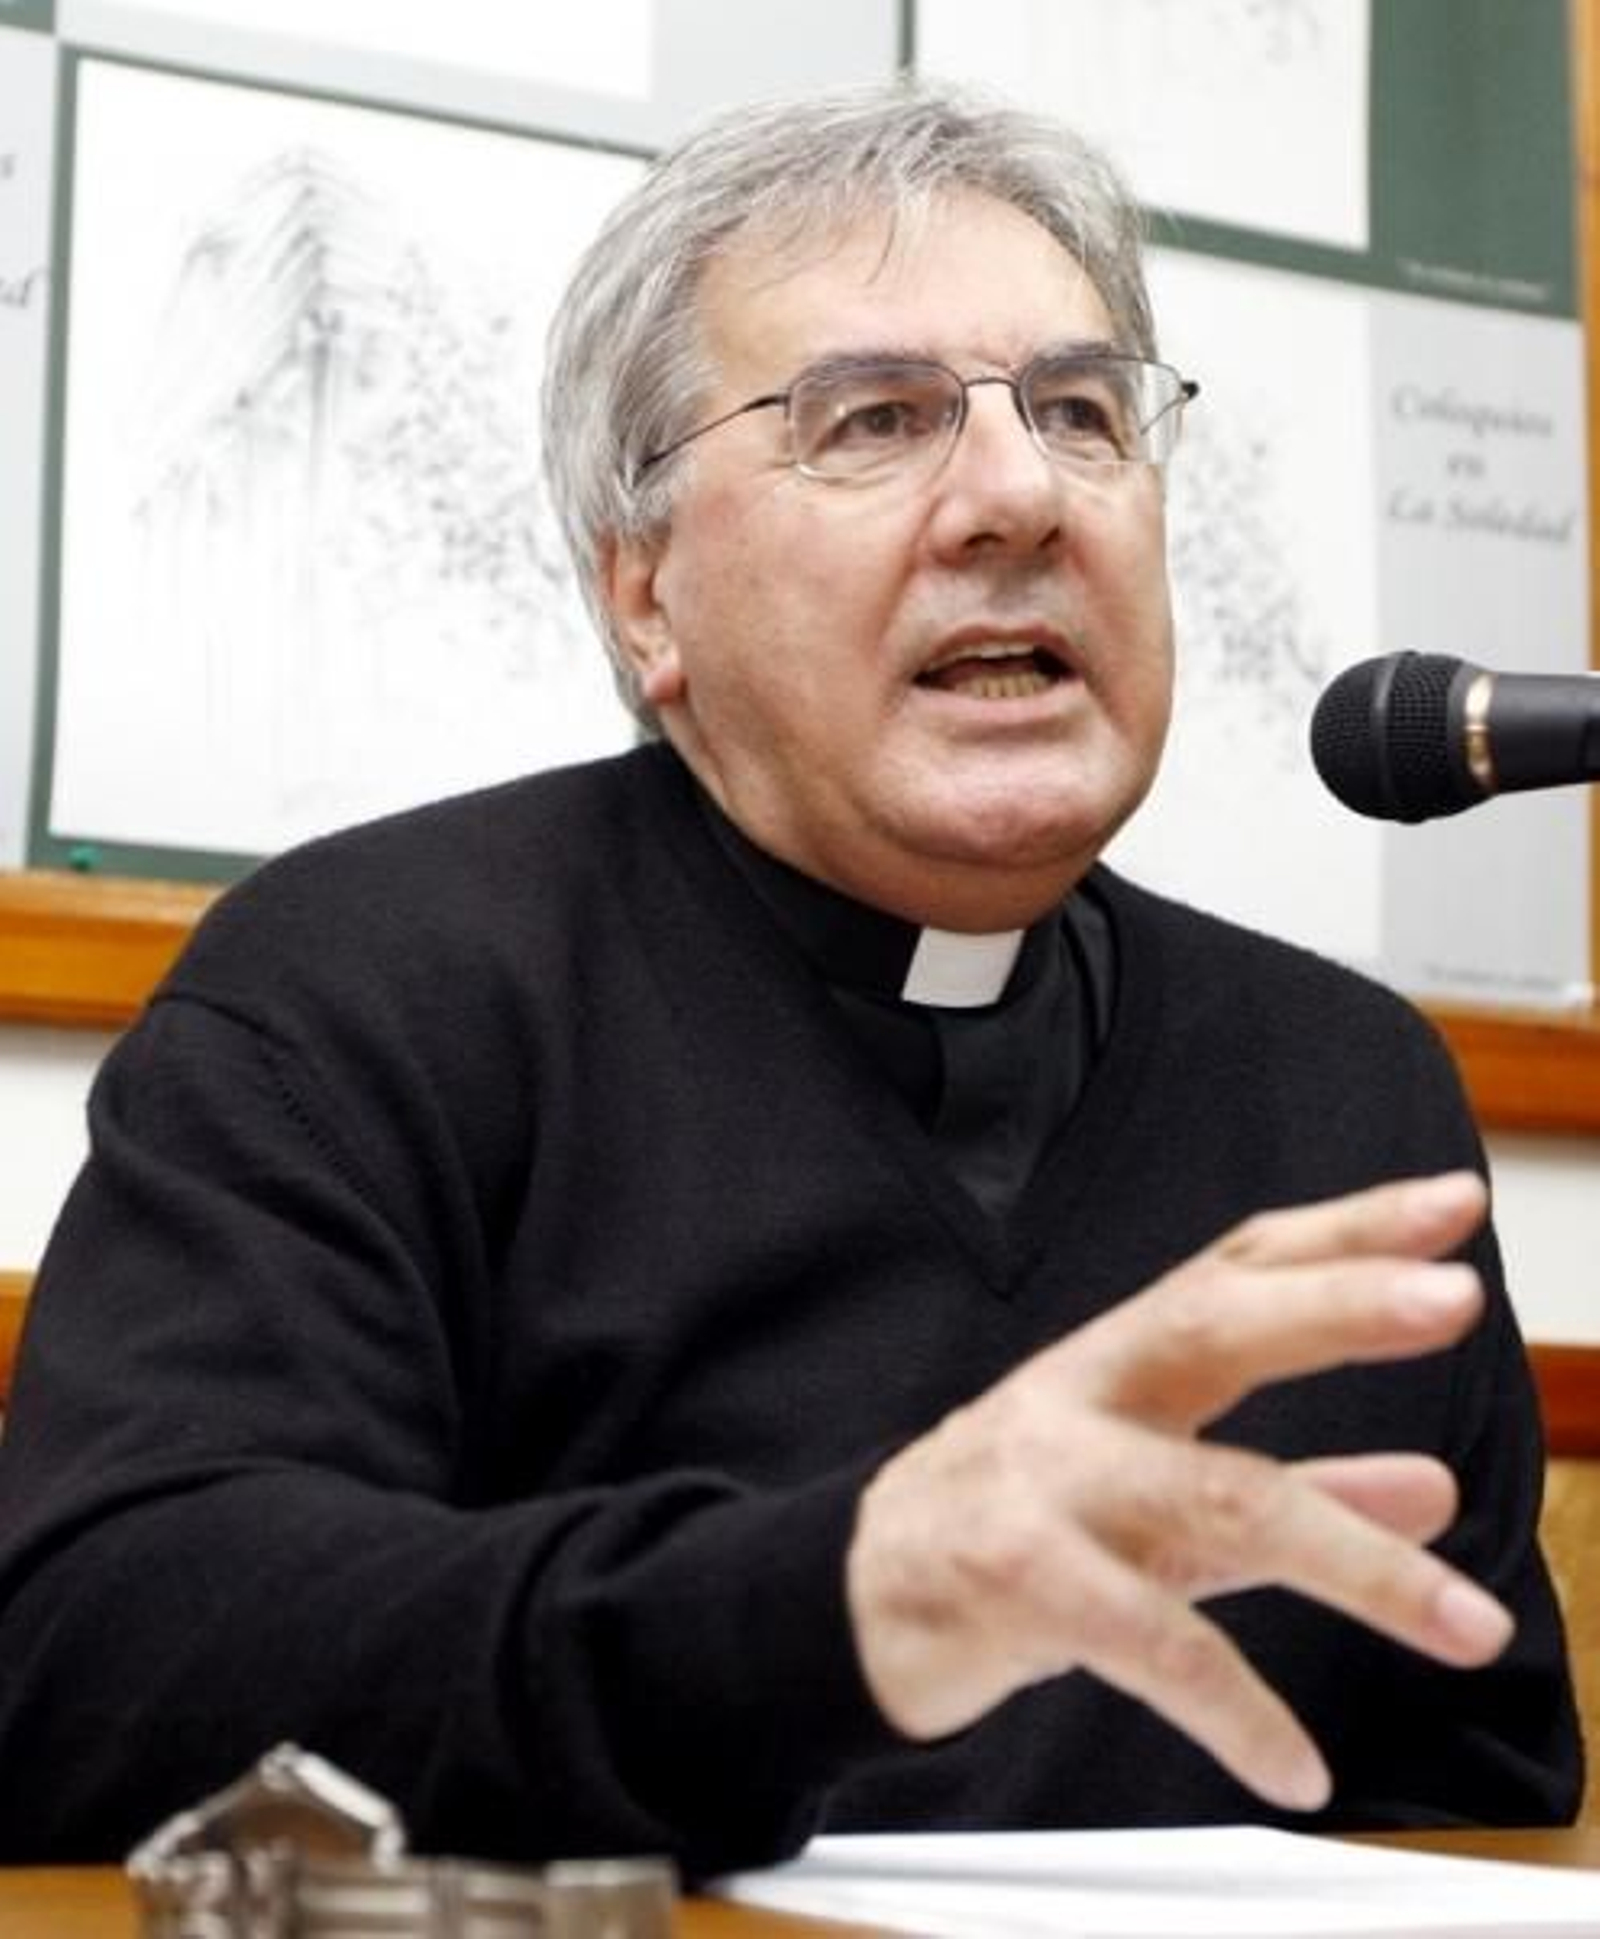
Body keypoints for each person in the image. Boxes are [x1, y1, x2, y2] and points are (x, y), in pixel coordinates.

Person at [0, 79, 1580, 1869]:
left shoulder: (1345, 1084)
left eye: (1080, 411)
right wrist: (840, 1604)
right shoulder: (368, 990)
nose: (1016, 496)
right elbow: (99, 1660)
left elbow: (1479, 1816)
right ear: (644, 595)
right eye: (875, 420)